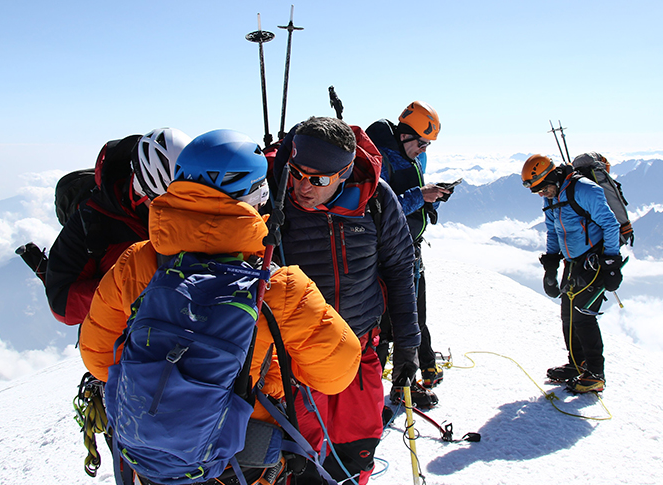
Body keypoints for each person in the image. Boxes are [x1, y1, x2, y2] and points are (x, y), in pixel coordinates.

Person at [80, 129, 362, 484]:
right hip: (236, 461)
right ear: (258, 195)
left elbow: (98, 358)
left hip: (146, 456)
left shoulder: (135, 263)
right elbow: (337, 373)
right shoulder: (280, 286)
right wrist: (270, 375)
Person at [270, 116, 420, 484]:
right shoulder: (273, 198)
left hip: (358, 346)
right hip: (297, 356)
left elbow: (401, 269)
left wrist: (407, 345)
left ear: (345, 172)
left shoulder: (376, 199)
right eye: (297, 172)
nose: (303, 186)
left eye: (318, 179)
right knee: (298, 459)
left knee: (356, 450)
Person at [45, 128, 191, 325]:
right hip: (121, 342)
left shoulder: (189, 209)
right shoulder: (92, 219)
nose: (170, 212)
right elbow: (62, 304)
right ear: (140, 190)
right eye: (159, 202)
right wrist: (130, 288)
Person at [521, 154, 623, 393]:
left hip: (595, 261)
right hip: (572, 263)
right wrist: (551, 267)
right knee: (568, 314)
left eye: (543, 189)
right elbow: (553, 231)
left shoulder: (585, 190)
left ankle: (595, 373)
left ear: (553, 176)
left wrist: (611, 263)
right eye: (537, 192)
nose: (541, 195)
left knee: (582, 314)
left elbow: (610, 225)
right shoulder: (552, 196)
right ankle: (577, 364)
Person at [365, 101, 449, 391]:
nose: (424, 150)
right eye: (423, 143)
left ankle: (411, 379)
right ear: (404, 136)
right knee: (389, 326)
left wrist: (428, 204)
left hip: (409, 251)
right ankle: (394, 388)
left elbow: (405, 200)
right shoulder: (379, 162)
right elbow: (378, 212)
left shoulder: (406, 158)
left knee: (414, 318)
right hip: (386, 258)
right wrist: (420, 196)